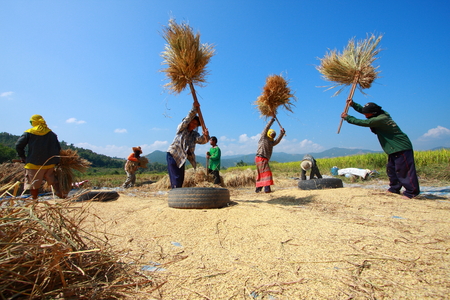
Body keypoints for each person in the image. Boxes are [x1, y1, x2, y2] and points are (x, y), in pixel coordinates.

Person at [341, 100, 420, 199]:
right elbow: (364, 110)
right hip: (393, 149)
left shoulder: (380, 119)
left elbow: (364, 122)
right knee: (392, 170)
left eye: (367, 114)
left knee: (404, 171)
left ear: (373, 113)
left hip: (401, 147)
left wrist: (348, 118)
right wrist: (353, 105)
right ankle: (394, 189)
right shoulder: (380, 113)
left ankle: (412, 192)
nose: (365, 115)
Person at [15, 114, 64, 199]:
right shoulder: (51, 134)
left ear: (34, 122)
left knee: (34, 183)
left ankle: (34, 199)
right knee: (53, 180)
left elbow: (18, 145)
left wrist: (23, 157)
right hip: (50, 163)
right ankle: (60, 194)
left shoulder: (29, 132)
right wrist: (56, 160)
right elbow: (58, 148)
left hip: (34, 164)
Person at [167, 102, 209, 188]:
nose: (193, 125)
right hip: (173, 154)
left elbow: (202, 141)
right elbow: (187, 118)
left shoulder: (194, 135)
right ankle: (176, 195)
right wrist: (194, 109)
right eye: (192, 122)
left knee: (180, 178)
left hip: (182, 157)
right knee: (176, 177)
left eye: (195, 124)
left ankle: (177, 194)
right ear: (189, 122)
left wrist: (206, 135)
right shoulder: (181, 129)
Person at [255, 117, 285, 193]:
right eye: (272, 134)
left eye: (274, 135)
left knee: (261, 174)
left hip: (262, 158)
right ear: (268, 133)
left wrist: (282, 133)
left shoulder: (271, 142)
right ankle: (267, 189)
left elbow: (277, 141)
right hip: (261, 157)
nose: (273, 135)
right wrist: (272, 120)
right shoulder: (263, 138)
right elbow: (266, 128)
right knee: (267, 173)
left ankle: (258, 189)